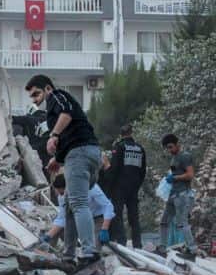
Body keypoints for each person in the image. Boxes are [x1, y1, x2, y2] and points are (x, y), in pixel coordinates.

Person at [25, 74, 102, 264]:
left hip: (80, 154)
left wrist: (53, 135)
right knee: (68, 206)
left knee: (78, 203)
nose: (35, 100)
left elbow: (67, 113)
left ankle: (89, 252)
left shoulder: (57, 96)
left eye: (37, 94)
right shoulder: (53, 114)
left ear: (48, 89)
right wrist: (57, 160)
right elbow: (69, 135)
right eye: (32, 97)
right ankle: (68, 255)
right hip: (85, 154)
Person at [43, 175, 114, 257]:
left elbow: (108, 206)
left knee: (92, 250)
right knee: (55, 233)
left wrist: (104, 229)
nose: (61, 195)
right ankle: (48, 255)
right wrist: (48, 236)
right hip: (77, 218)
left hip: (97, 219)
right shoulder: (62, 197)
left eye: (62, 192)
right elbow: (62, 219)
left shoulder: (91, 188)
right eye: (60, 193)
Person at [159, 133, 197, 255]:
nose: (169, 150)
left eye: (170, 147)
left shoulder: (184, 156)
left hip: (182, 195)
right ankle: (162, 248)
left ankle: (192, 250)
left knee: (182, 223)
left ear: (177, 144)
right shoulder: (174, 158)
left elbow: (190, 174)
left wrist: (175, 178)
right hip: (173, 194)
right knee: (164, 222)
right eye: (167, 148)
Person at [109, 124, 146, 248]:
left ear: (121, 134)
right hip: (134, 187)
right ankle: (137, 244)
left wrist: (110, 186)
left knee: (117, 214)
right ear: (132, 132)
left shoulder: (119, 147)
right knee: (134, 217)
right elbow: (143, 170)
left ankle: (121, 242)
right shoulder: (140, 148)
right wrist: (137, 184)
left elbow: (114, 168)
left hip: (119, 186)